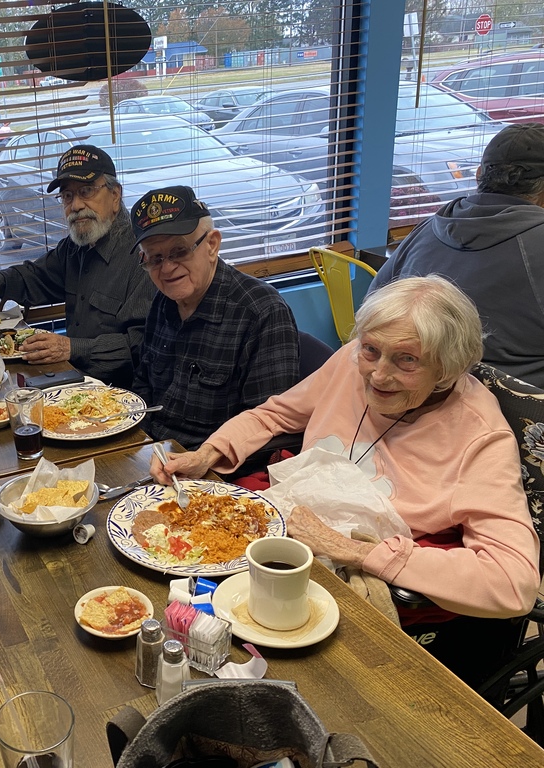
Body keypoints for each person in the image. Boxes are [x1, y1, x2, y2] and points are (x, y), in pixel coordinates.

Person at [154, 276, 540, 685]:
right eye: (371, 350)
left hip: (351, 578)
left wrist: (352, 550)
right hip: (286, 538)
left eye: (407, 360)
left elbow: (513, 582)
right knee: (170, 584)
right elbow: (275, 415)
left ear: (447, 368)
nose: (378, 375)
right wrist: (207, 453)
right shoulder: (351, 362)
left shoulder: (482, 438)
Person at [0, 145, 156, 387]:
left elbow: (140, 345)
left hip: (121, 394)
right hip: (73, 381)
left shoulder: (145, 256)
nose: (75, 206)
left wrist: (72, 348)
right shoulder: (76, 247)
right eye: (67, 196)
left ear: (115, 195)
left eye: (86, 191)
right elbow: (35, 277)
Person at [367, 122, 544, 387]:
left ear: (479, 174)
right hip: (515, 406)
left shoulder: (427, 228)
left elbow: (372, 310)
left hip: (418, 395)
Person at [129, 185, 299, 449]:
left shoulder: (262, 313)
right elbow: (143, 383)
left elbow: (266, 428)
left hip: (212, 463)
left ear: (212, 245)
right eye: (155, 258)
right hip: (152, 447)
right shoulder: (164, 300)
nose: (167, 268)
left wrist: (201, 459)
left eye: (179, 252)